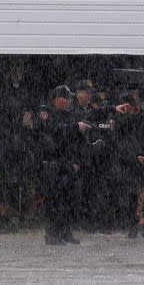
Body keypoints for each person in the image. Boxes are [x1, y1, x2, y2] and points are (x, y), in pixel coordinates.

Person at [38, 85, 92, 245]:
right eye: (66, 98)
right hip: (51, 163)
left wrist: (77, 161)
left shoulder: (68, 114)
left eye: (70, 98)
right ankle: (52, 233)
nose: (69, 101)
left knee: (71, 198)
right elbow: (54, 130)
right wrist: (75, 127)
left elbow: (75, 141)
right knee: (55, 199)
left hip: (67, 163)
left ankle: (64, 230)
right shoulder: (46, 112)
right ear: (57, 99)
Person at [111, 89, 144, 238]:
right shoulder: (119, 118)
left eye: (136, 105)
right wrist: (135, 156)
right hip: (129, 160)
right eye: (132, 107)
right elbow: (119, 142)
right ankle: (132, 226)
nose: (135, 109)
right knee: (130, 193)